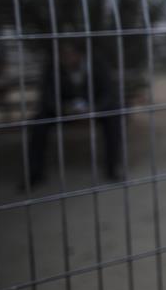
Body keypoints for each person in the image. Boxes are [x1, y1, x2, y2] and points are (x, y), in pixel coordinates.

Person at [26, 41, 123, 187]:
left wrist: (93, 109)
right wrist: (63, 109)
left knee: (114, 116)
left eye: (70, 54)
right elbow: (47, 96)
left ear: (80, 54)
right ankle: (35, 174)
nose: (66, 58)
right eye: (62, 54)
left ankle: (112, 169)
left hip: (93, 109)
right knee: (38, 121)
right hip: (64, 111)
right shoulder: (52, 67)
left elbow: (108, 93)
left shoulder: (97, 64)